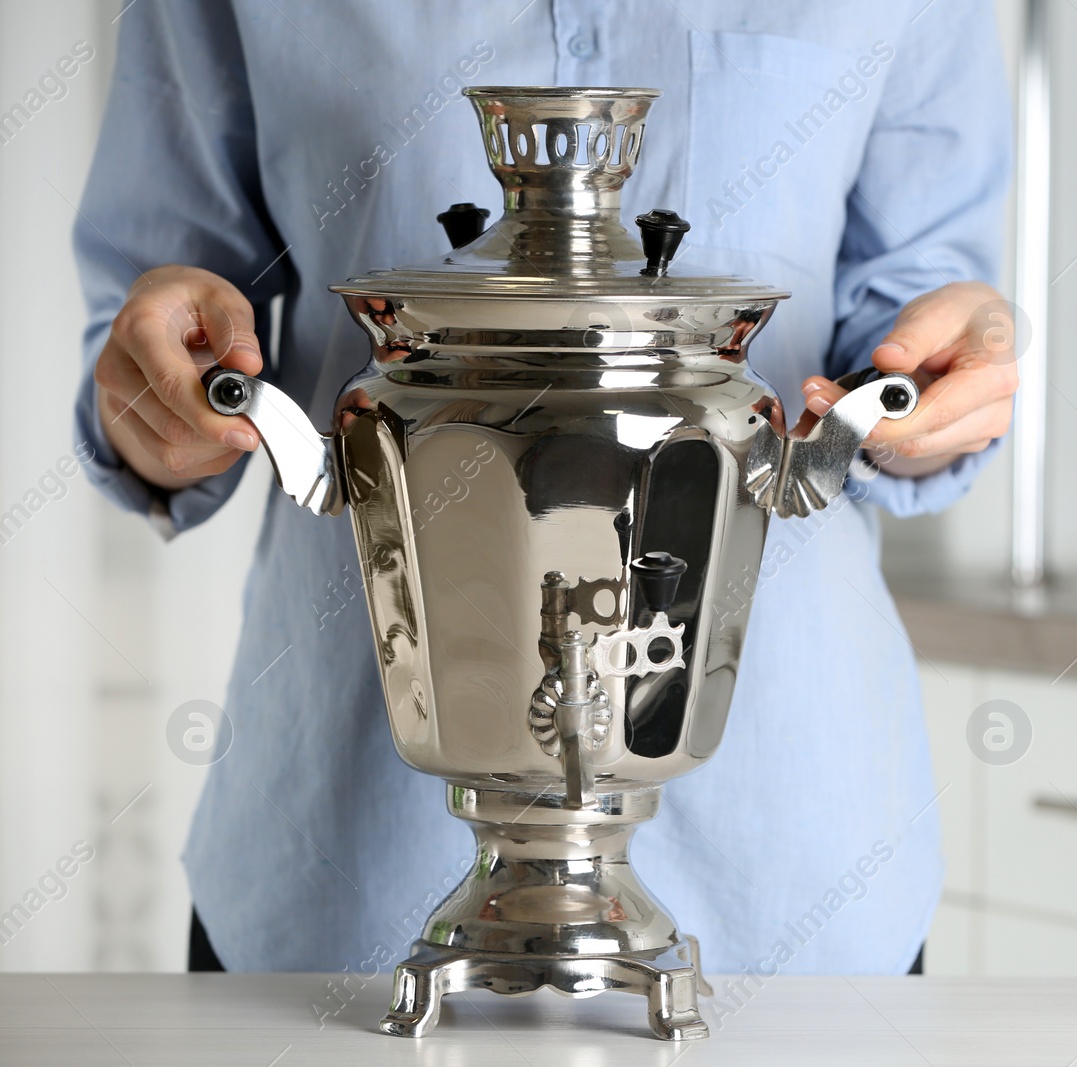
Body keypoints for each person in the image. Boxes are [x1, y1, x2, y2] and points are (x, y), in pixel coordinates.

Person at [75, 1, 1014, 977]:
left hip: (791, 871)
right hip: (335, 868)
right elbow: (156, 313)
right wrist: (164, 392)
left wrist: (927, 384)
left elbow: (915, 312)